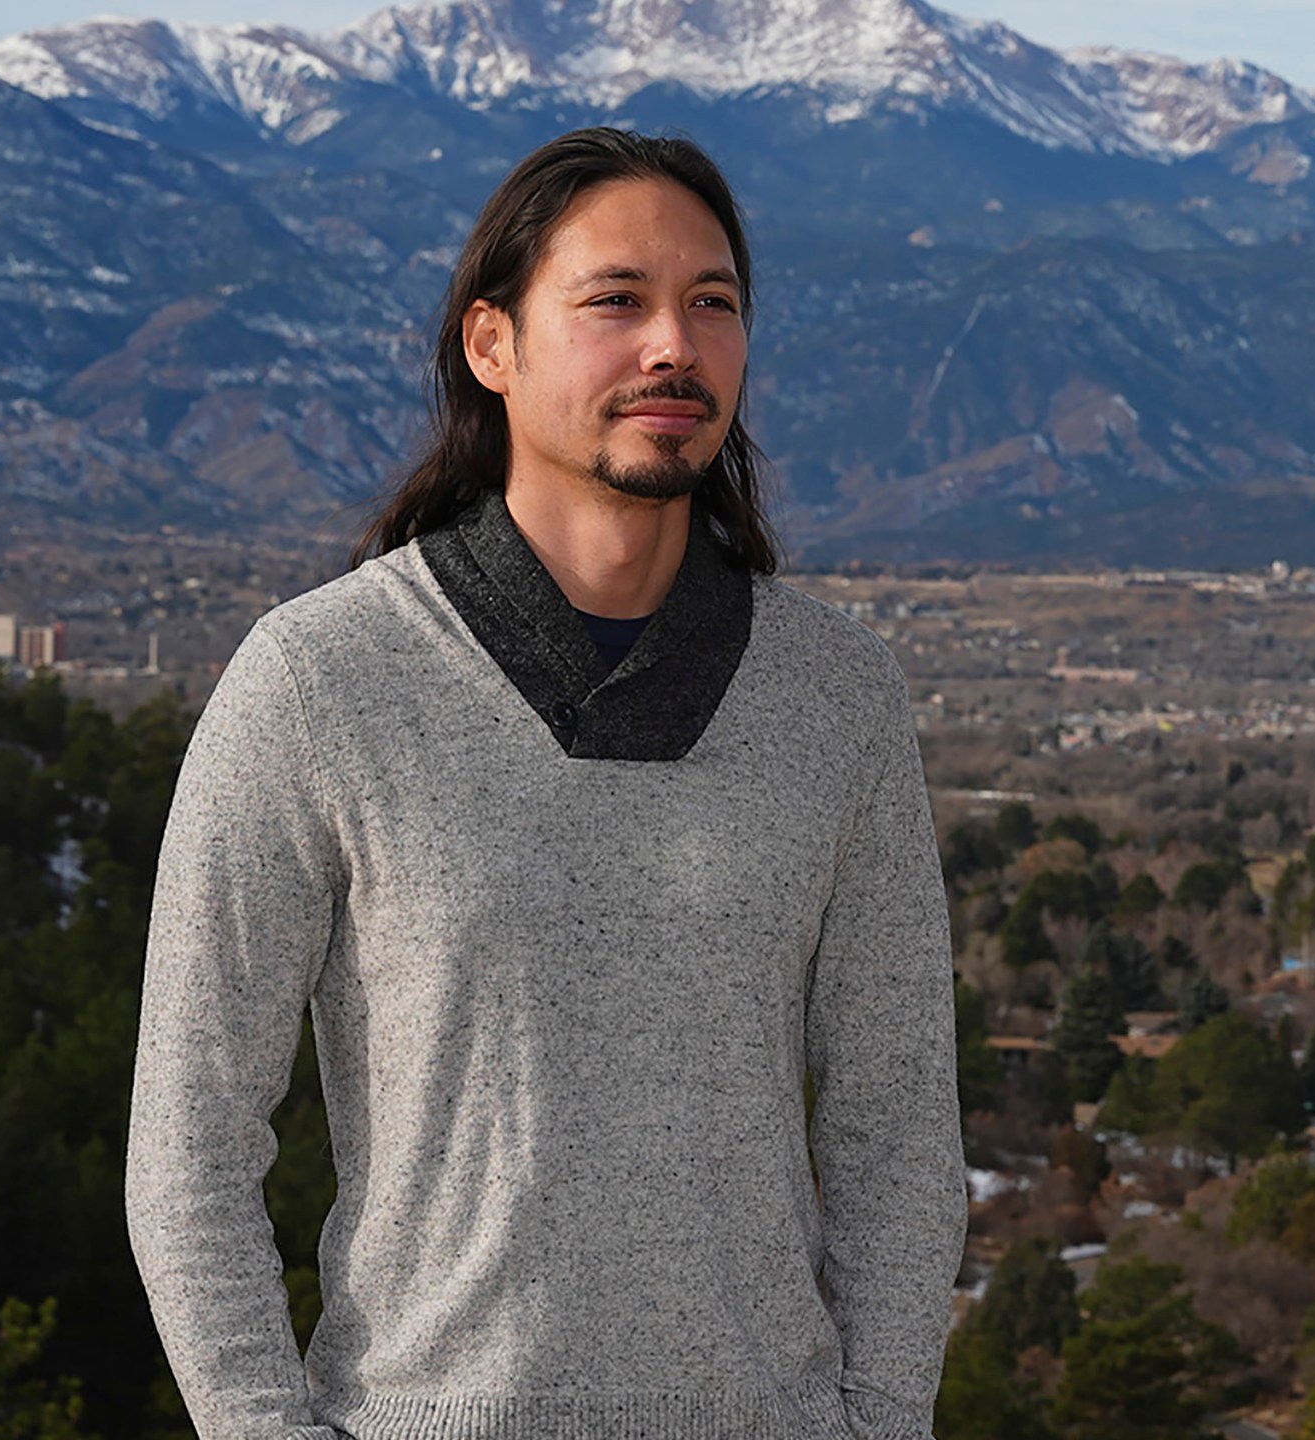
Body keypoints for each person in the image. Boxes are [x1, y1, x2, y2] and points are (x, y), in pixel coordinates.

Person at [125, 127, 964, 1440]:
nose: (673, 345)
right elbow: (188, 1141)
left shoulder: (838, 696)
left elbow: (898, 1131)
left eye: (714, 304)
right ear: (491, 346)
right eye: (616, 301)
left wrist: (879, 1420)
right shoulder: (318, 681)